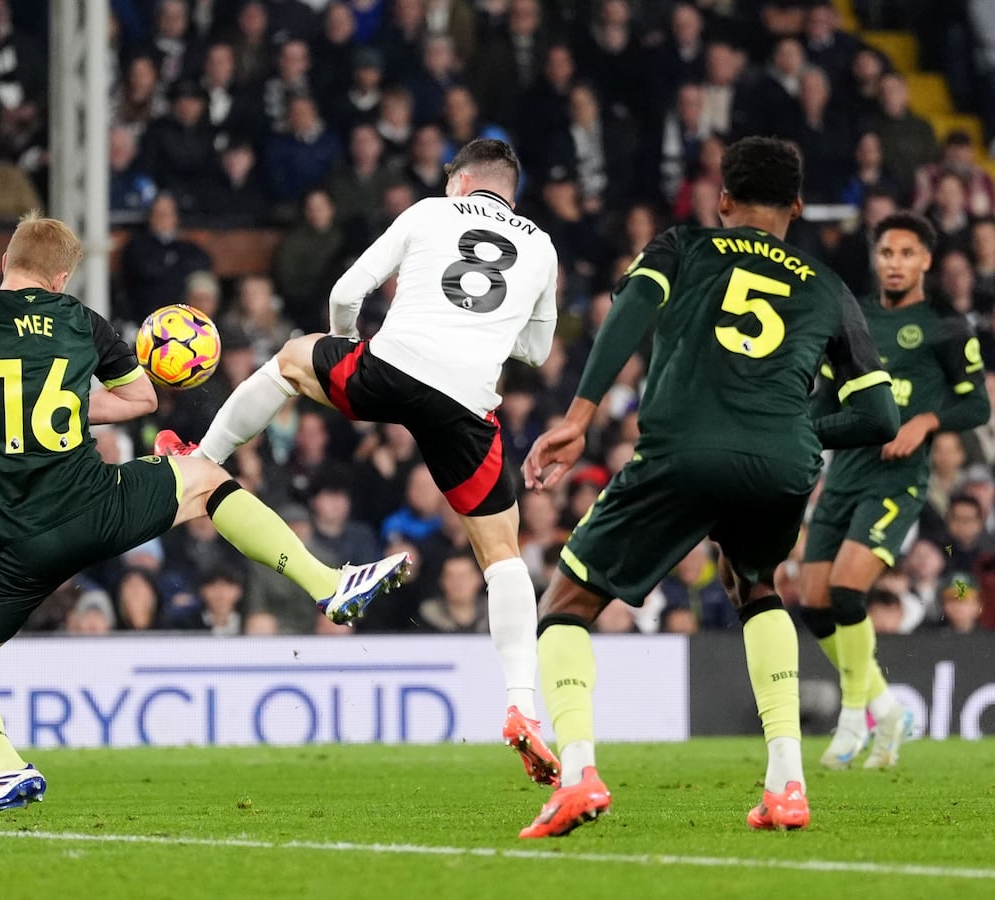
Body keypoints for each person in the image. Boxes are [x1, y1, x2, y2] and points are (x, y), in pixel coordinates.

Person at [0, 212, 409, 820]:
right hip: (91, 505)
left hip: (9, 542)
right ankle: (329, 585)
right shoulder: (80, 321)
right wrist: (70, 398)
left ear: (5, 264)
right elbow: (143, 399)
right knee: (205, 479)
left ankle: (4, 768)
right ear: (62, 277)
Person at [518, 137, 900, 837]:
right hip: (782, 465)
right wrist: (794, 430)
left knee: (566, 603)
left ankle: (577, 776)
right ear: (796, 207)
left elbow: (630, 312)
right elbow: (880, 415)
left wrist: (579, 416)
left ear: (724, 200)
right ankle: (788, 783)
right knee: (756, 585)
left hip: (683, 450)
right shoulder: (828, 286)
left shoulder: (684, 247)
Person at [157, 139, 563, 785]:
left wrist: (344, 345)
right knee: (503, 556)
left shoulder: (431, 211)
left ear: (460, 182)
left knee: (292, 359)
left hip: (393, 367)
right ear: (510, 191)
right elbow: (539, 350)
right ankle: (523, 706)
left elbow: (349, 290)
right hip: (467, 404)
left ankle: (201, 457)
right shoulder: (540, 246)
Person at [800, 211, 989, 771]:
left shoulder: (948, 327)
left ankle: (853, 718)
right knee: (814, 606)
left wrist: (925, 421)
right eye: (887, 253)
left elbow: (975, 403)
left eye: (908, 253)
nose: (896, 263)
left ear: (927, 261)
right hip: (845, 475)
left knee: (846, 593)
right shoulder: (851, 315)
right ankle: (889, 708)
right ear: (875, 257)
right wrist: (799, 430)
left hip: (897, 481)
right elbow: (831, 391)